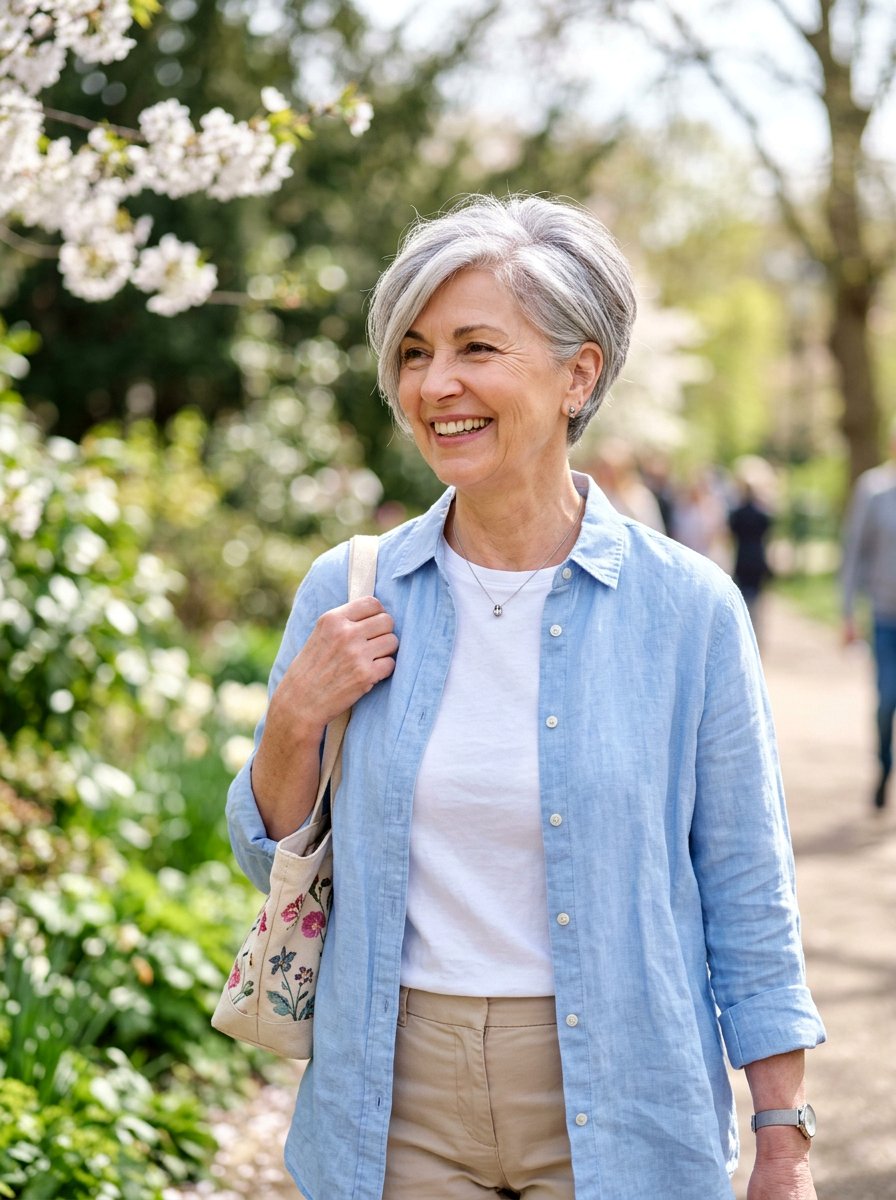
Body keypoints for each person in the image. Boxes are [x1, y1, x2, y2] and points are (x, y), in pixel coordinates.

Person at [226, 194, 825, 1200]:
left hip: (625, 1090)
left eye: (474, 348)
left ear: (576, 374)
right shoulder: (350, 588)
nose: (435, 385)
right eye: (413, 353)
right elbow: (265, 853)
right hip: (392, 1095)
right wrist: (295, 715)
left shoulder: (687, 612)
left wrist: (782, 1139)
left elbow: (744, 888)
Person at [841, 419, 896, 810]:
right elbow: (854, 552)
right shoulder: (875, 490)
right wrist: (847, 612)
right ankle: (883, 767)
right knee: (887, 700)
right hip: (885, 616)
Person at [728, 455, 777, 638]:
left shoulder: (737, 513)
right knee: (757, 604)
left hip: (741, 559)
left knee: (744, 601)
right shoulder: (762, 514)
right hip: (757, 559)